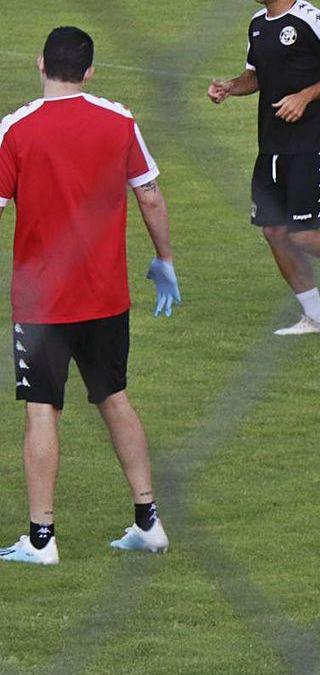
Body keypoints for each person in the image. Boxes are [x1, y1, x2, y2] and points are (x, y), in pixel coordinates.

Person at [0, 27, 180, 565]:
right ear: (89, 70)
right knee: (115, 397)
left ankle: (41, 539)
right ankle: (147, 519)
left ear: (40, 64)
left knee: (41, 411)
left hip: (41, 302)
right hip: (106, 295)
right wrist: (165, 260)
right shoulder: (119, 120)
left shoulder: (14, 129)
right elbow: (148, 194)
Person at [208, 0, 320, 335]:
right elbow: (256, 77)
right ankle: (317, 318)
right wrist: (230, 88)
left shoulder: (310, 19)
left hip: (311, 143)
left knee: (302, 234)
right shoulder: (257, 24)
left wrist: (305, 96)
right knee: (274, 231)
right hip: (272, 145)